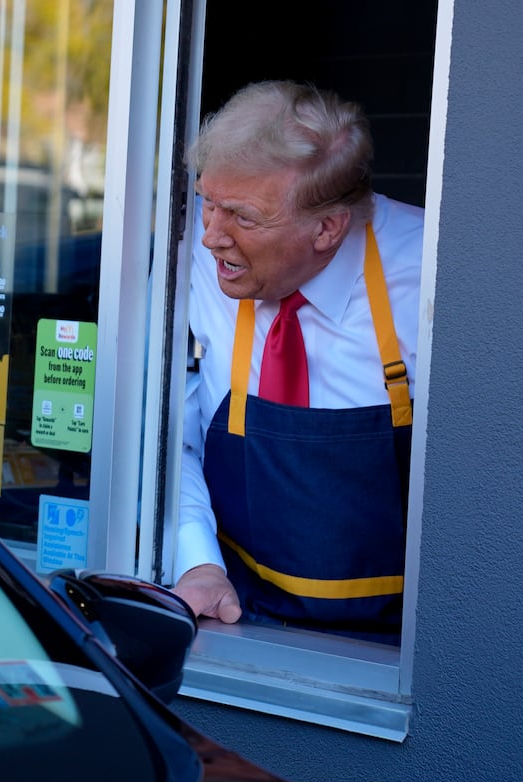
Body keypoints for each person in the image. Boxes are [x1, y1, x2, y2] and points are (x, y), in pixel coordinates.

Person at [173, 81, 424, 642]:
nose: (212, 235)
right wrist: (197, 561)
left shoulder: (431, 276)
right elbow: (172, 427)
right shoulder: (195, 249)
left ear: (328, 228)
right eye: (208, 201)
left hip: (392, 646)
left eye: (240, 215)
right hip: (233, 617)